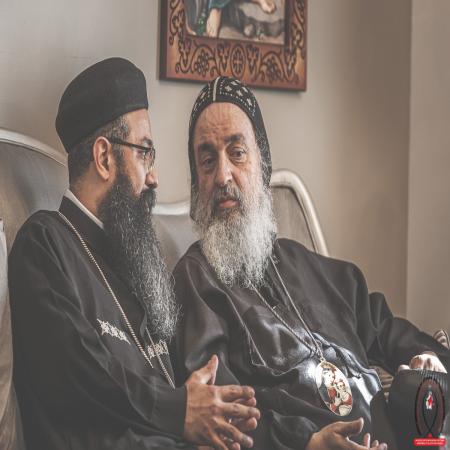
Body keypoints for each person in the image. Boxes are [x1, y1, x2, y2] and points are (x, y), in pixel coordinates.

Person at [172, 76, 450, 450]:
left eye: (237, 153)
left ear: (262, 164)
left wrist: (428, 361)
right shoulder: (194, 281)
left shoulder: (321, 271)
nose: (222, 175)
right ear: (196, 183)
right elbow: (221, 408)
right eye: (207, 161)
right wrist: (307, 442)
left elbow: (401, 338)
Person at [8, 60, 260, 450]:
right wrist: (177, 410)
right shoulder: (44, 244)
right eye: (145, 153)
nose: (154, 176)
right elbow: (76, 371)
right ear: (104, 157)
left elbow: (192, 383)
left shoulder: (137, 263)